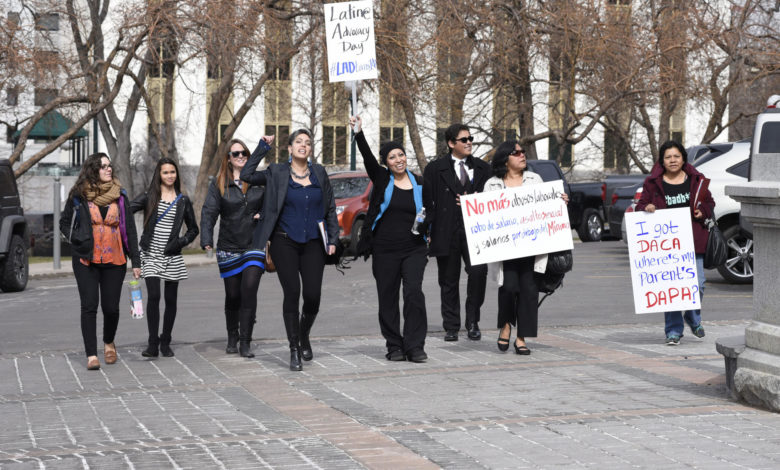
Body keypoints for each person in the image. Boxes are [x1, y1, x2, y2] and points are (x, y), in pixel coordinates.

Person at [240, 130, 338, 371]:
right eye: (298, 142)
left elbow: (330, 208)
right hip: (284, 242)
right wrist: (262, 146)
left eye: (307, 142)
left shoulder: (319, 173)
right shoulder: (277, 172)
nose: (303, 145)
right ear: (290, 148)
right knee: (292, 293)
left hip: (314, 242)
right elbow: (246, 174)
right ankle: (294, 348)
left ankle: (304, 335)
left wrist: (333, 238)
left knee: (313, 297)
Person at [350, 116, 429, 363]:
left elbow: (433, 208)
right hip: (385, 250)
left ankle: (415, 345)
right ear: (386, 162)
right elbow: (367, 159)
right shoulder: (383, 179)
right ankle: (394, 345)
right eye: (392, 157)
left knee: (414, 293)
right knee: (388, 297)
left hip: (414, 248)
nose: (398, 160)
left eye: (401, 155)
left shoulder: (419, 182)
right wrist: (359, 133)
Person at [59, 153, 141, 370]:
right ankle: (91, 355)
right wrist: (76, 238)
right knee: (89, 306)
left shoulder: (120, 196)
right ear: (93, 170)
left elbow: (130, 230)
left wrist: (137, 261)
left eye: (109, 165)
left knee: (111, 308)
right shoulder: (78, 196)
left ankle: (108, 342)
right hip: (86, 259)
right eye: (103, 166)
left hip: (115, 258)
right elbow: (64, 223)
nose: (108, 169)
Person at [485, 141, 568, 355]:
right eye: (517, 153)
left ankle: (521, 337)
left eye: (523, 152)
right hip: (505, 249)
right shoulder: (493, 184)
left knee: (529, 291)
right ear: (505, 159)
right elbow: (484, 216)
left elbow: (547, 207)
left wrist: (560, 203)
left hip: (532, 248)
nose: (523, 156)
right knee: (509, 287)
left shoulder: (535, 180)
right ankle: (505, 325)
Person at [636, 140, 714, 345]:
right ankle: (673, 330)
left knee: (698, 284)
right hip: (666, 244)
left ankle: (692, 316)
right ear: (662, 160)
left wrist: (702, 211)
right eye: (668, 157)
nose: (672, 160)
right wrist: (648, 207)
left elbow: (709, 202)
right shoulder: (652, 183)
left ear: (683, 158)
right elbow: (641, 206)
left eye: (676, 156)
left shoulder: (697, 180)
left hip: (693, 240)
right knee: (671, 288)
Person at [422, 123, 491, 342]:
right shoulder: (435, 169)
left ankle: (473, 321)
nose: (469, 142)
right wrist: (427, 231)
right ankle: (451, 326)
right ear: (452, 143)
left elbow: (494, 199)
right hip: (447, 229)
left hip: (476, 231)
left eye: (471, 138)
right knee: (448, 280)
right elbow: (427, 203)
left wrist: (475, 200)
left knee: (479, 274)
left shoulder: (483, 168)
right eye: (464, 139)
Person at [201, 139, 267, 357]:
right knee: (233, 295)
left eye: (244, 153)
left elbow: (274, 205)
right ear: (228, 158)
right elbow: (209, 212)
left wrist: (264, 215)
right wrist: (207, 238)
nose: (240, 156)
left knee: (249, 289)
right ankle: (232, 335)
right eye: (236, 153)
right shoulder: (219, 183)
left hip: (254, 244)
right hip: (229, 245)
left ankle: (246, 341)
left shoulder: (259, 180)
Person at [130, 158, 198, 358]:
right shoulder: (149, 196)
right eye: (165, 172)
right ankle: (152, 344)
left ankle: (165, 340)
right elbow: (125, 210)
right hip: (150, 253)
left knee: (171, 299)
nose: (170, 176)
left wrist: (180, 242)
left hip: (172, 255)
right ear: (159, 175)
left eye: (172, 172)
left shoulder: (183, 200)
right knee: (154, 296)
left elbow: (194, 229)